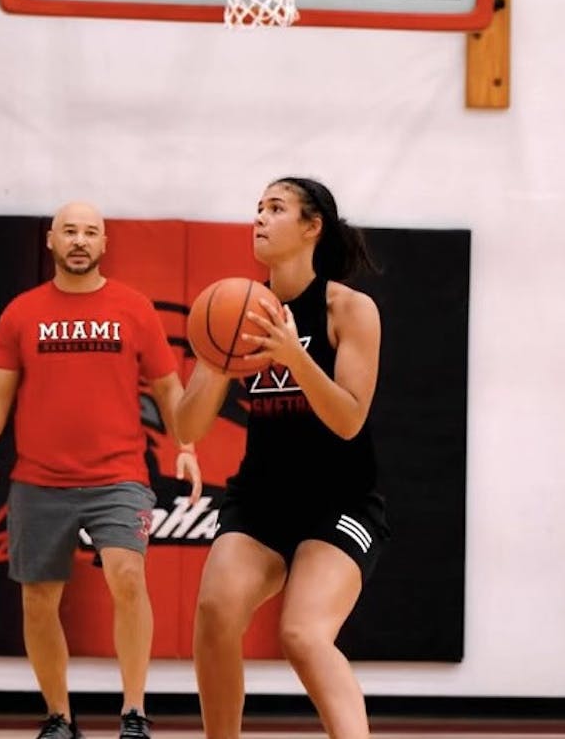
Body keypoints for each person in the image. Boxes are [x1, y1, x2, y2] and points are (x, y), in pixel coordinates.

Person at [0, 200, 202, 739]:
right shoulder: (21, 313)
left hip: (118, 475)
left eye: (90, 232)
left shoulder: (133, 307)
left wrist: (186, 444)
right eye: (69, 231)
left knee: (127, 575)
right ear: (50, 240)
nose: (79, 240)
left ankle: (135, 712)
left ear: (104, 244)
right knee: (38, 599)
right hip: (39, 479)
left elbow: (170, 389)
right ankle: (58, 717)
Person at [176, 177, 389, 739]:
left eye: (276, 209)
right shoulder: (237, 307)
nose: (260, 220)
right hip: (262, 501)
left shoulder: (350, 309)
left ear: (311, 226)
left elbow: (348, 420)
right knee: (216, 611)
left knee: (301, 633)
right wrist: (217, 363)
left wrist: (295, 356)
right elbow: (186, 425)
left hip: (340, 503)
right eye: (257, 209)